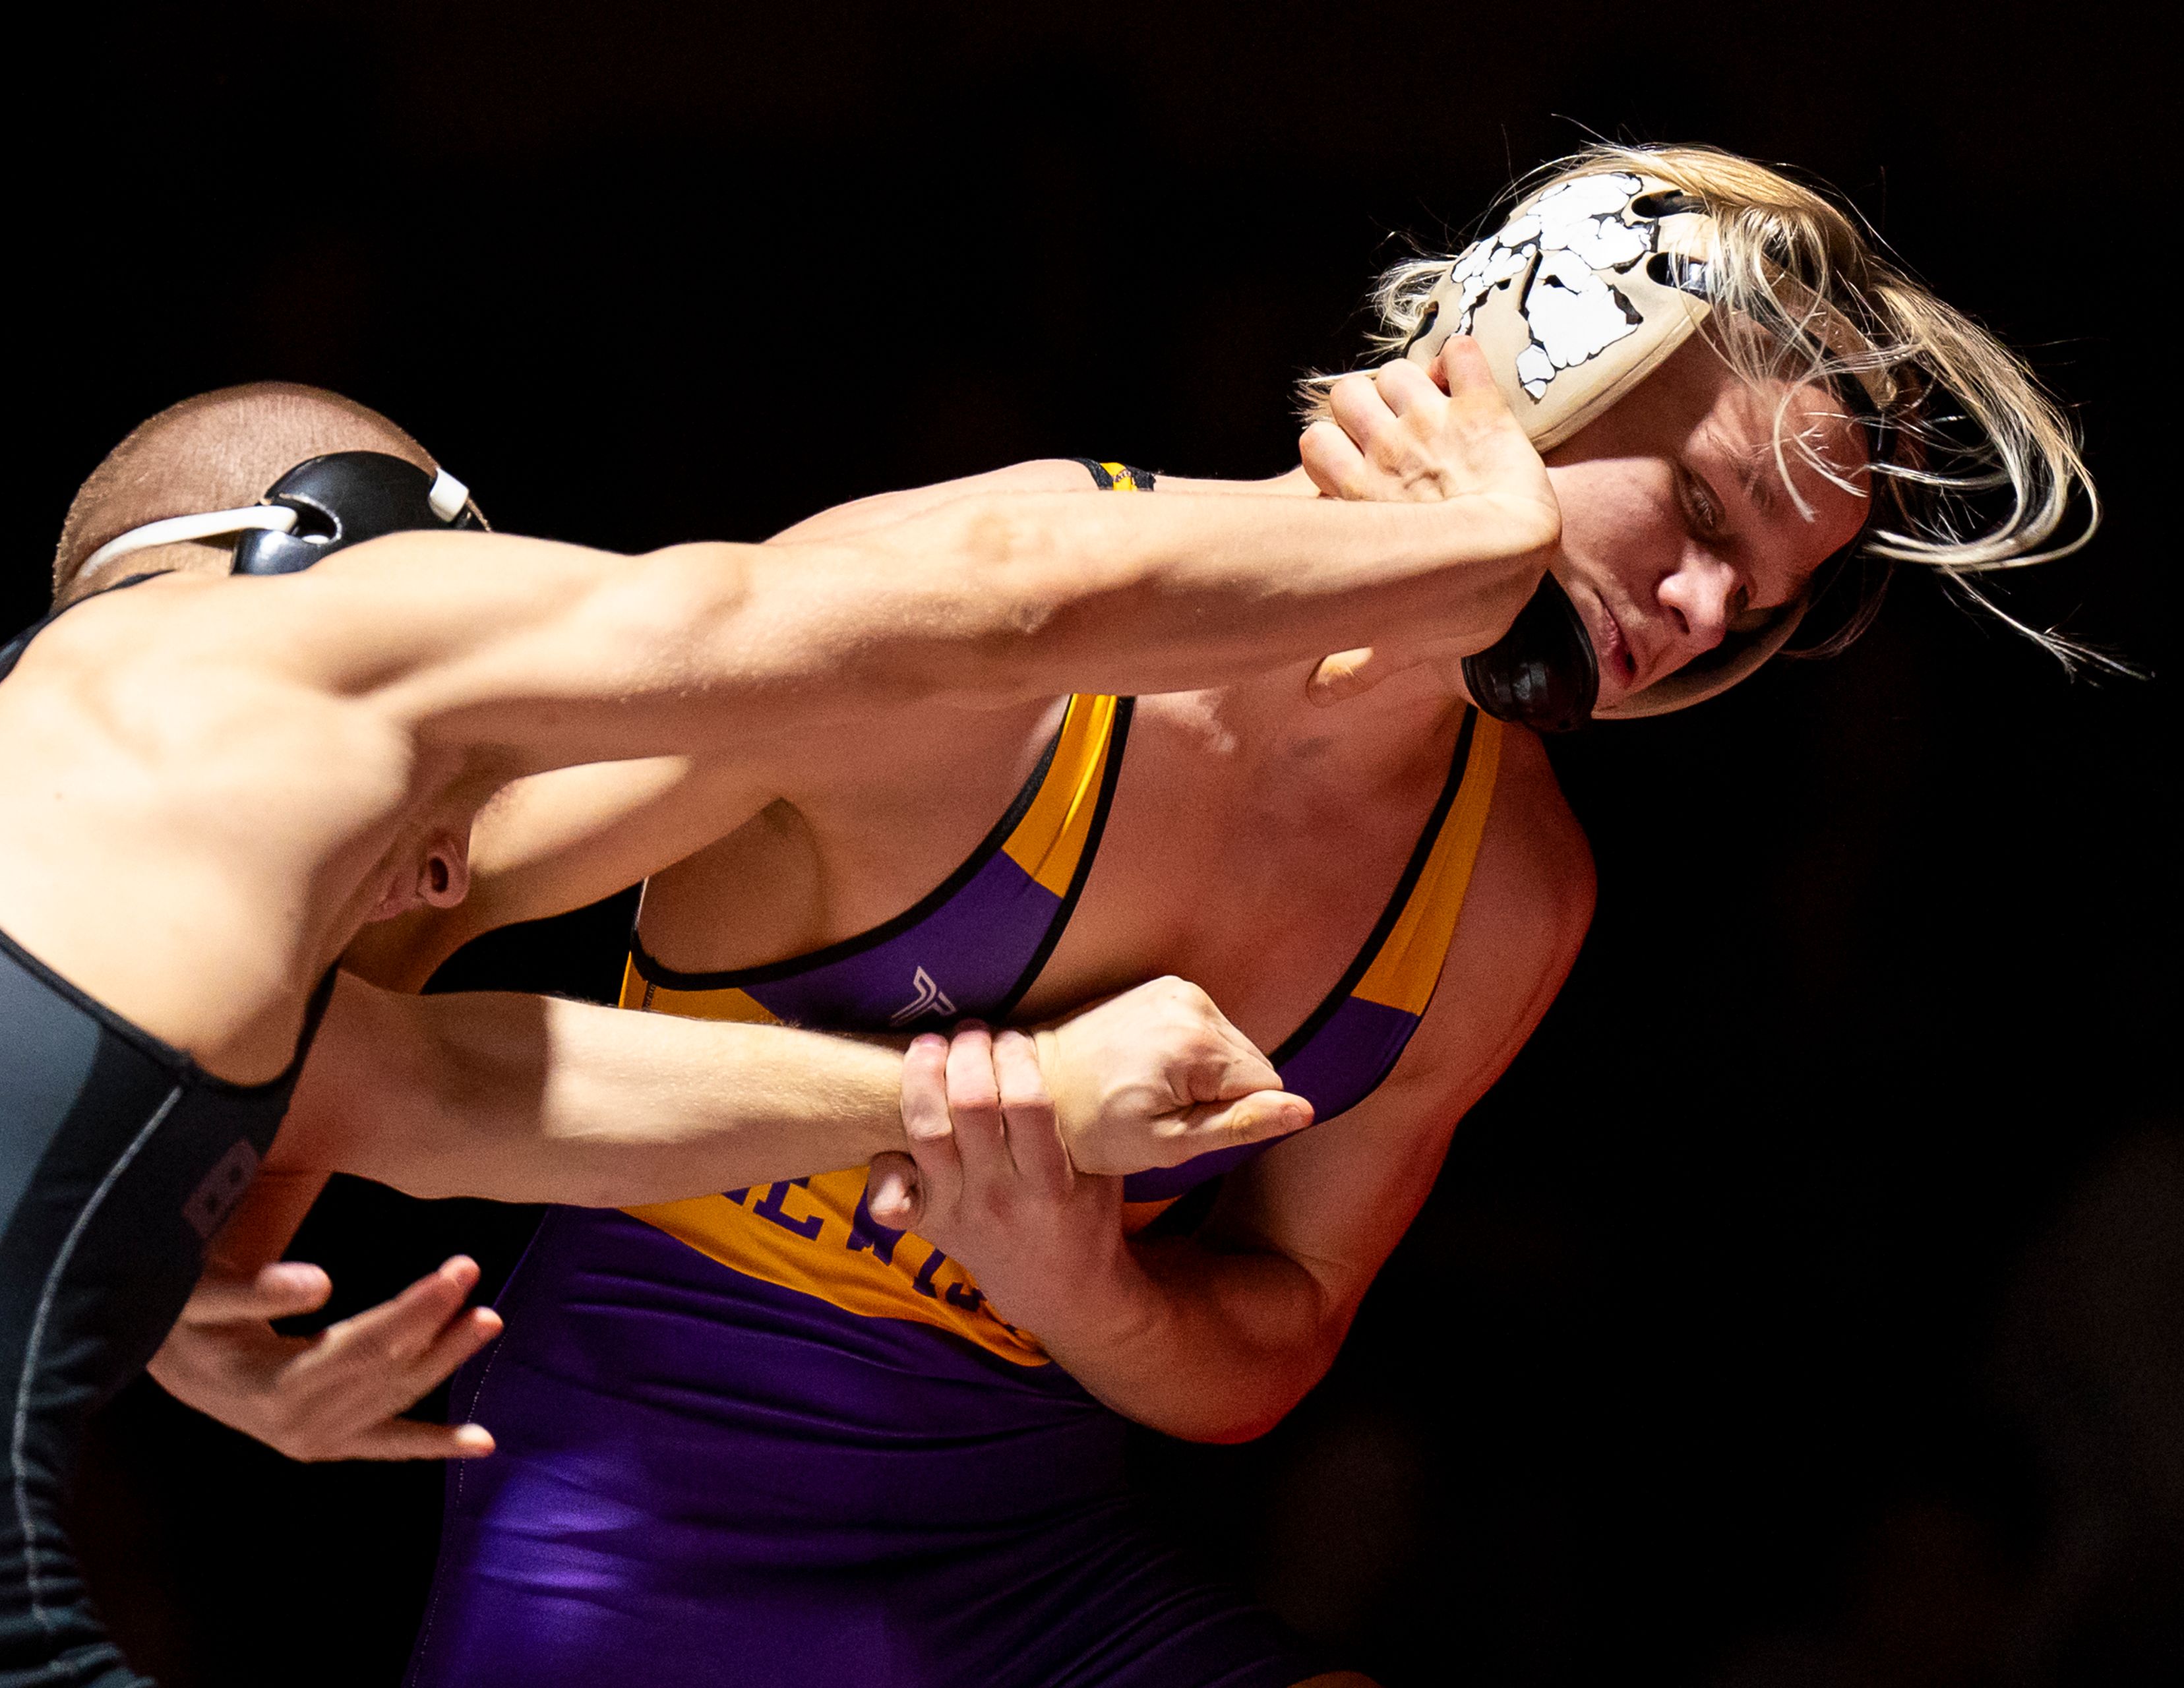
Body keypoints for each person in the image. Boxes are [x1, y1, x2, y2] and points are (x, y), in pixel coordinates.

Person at [158, 144, 2095, 1688]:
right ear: (1525, 361)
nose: (1694, 619)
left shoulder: (1510, 888)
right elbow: (385, 895)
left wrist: (1082, 1282)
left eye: (1754, 607)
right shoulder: (993, 607)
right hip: (637, 1517)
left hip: (1026, 1565)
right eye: (1694, 513)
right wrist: (210, 1289)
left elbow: (1279, 1335)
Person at [0, 363, 1567, 1687]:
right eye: (447, 790)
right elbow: (914, 606)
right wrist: (1466, 560)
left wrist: (178, 1297)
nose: (445, 871)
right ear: (352, 555)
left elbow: (424, 1080)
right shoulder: (283, 641)